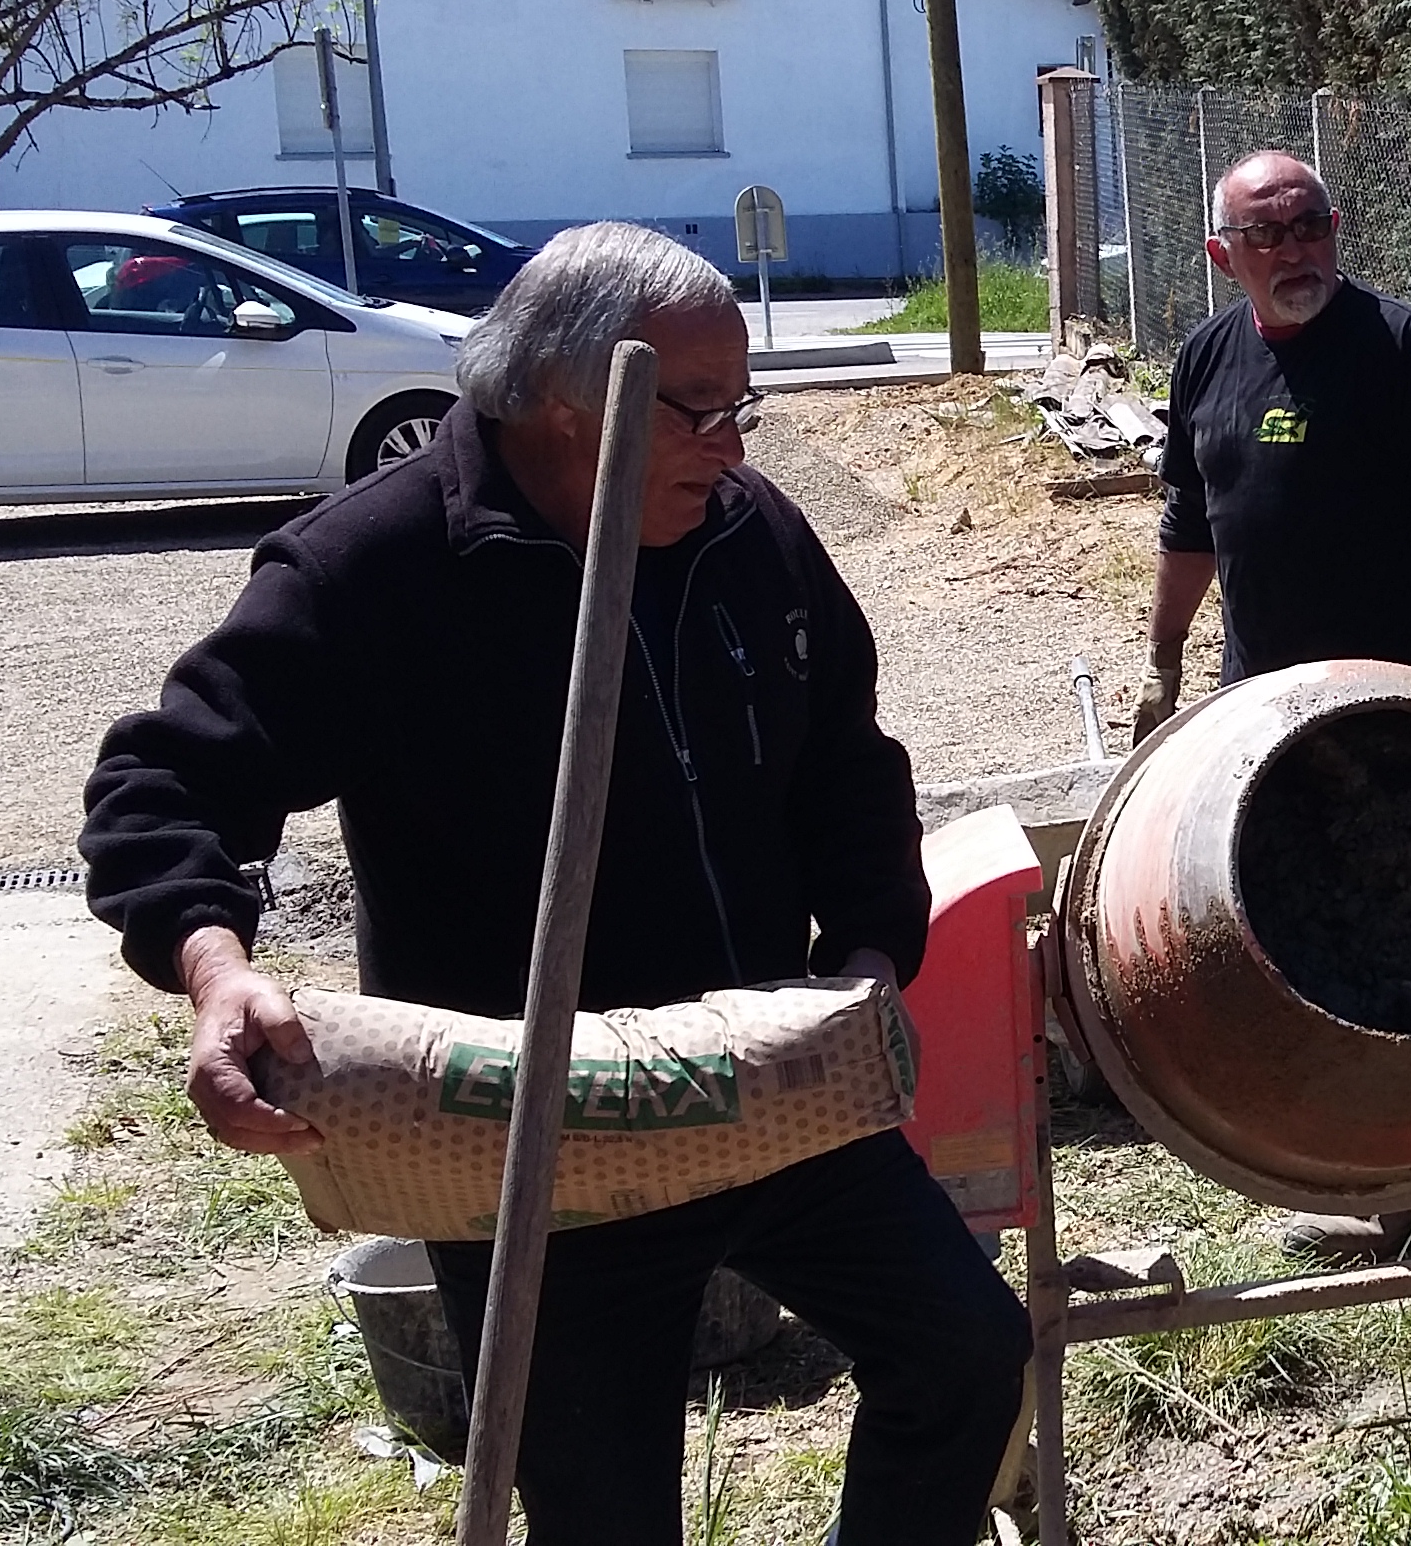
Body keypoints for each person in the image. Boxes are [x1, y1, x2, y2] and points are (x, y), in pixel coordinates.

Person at [80, 223, 1029, 1546]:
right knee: (599, 1511)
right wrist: (213, 967)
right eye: (704, 412)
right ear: (569, 410)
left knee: (969, 1351)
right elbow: (166, 781)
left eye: (742, 406)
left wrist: (869, 949)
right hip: (527, 1124)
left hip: (760, 1069)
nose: (736, 448)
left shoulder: (746, 536)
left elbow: (845, 758)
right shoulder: (377, 569)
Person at [1139, 148, 1411, 1259]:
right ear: (1222, 256)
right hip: (1259, 708)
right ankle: (1334, 1177)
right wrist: (1163, 663)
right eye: (1270, 235)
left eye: (1312, 226)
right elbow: (1189, 526)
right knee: (1280, 926)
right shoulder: (1207, 358)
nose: (1298, 250)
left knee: (1396, 937)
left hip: (1389, 713)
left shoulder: (1401, 349)